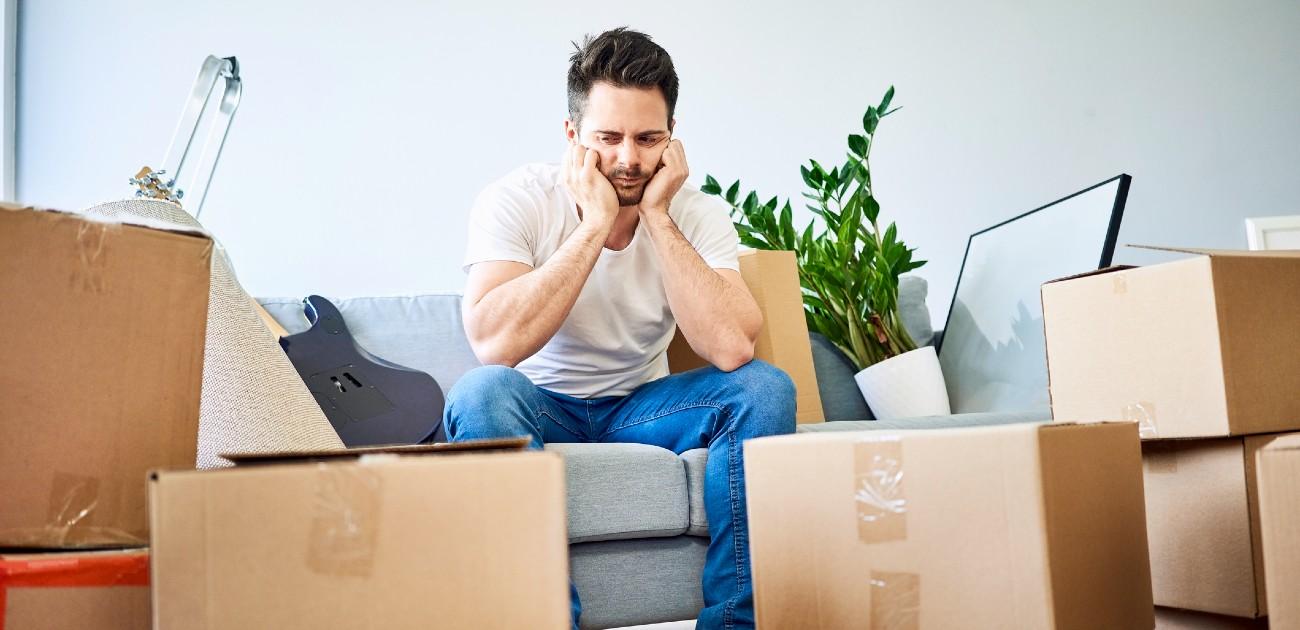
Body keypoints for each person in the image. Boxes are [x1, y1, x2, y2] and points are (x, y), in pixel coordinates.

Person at [445, 26, 796, 630]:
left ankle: (738, 625)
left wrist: (656, 215)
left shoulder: (695, 212)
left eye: (648, 138)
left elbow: (732, 347)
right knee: (479, 393)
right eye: (608, 138)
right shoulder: (517, 200)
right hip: (538, 404)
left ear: (672, 140)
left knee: (765, 388)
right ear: (572, 136)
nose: (629, 159)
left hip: (638, 406)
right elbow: (495, 345)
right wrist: (592, 226)